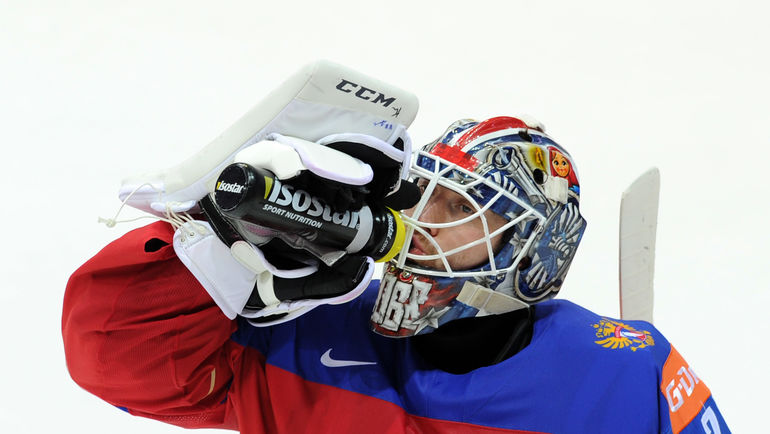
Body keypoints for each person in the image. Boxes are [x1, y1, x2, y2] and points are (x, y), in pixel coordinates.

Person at [63, 115, 730, 434]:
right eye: (422, 195)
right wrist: (216, 240)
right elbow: (110, 354)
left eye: (460, 206)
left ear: (535, 248)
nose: (420, 221)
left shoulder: (627, 372)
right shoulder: (302, 337)